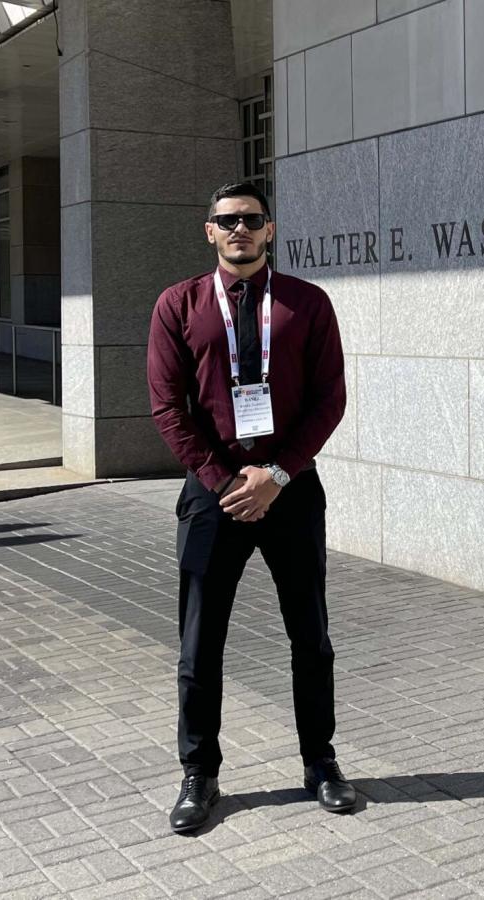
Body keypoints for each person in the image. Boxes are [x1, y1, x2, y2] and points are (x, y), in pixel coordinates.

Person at [146, 182, 353, 834]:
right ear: (209, 230)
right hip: (212, 496)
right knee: (199, 643)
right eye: (228, 220)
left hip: (290, 491)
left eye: (252, 220)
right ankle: (198, 774)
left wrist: (277, 473)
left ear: (270, 230)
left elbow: (330, 399)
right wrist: (222, 478)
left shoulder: (307, 304)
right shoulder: (178, 304)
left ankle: (320, 762)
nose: (240, 230)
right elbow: (166, 405)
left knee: (310, 637)